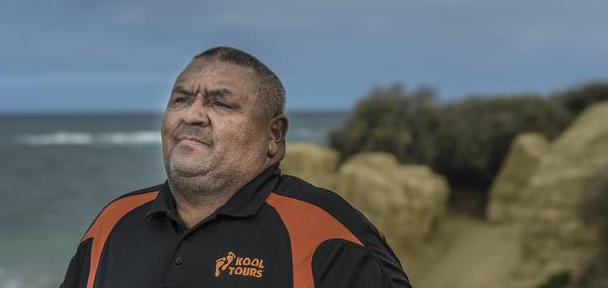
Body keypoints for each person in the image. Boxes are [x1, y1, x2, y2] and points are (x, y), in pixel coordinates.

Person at [59, 46, 412, 288]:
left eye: (221, 103)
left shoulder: (327, 231)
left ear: (274, 135)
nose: (192, 115)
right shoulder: (112, 222)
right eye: (181, 99)